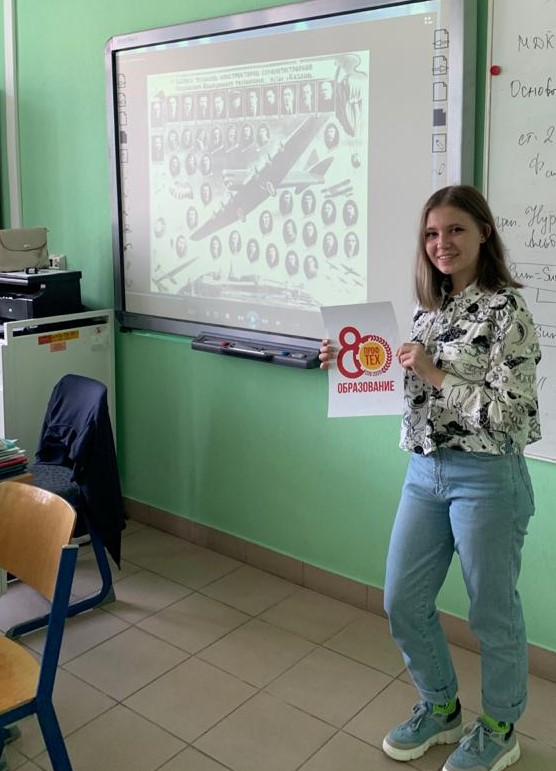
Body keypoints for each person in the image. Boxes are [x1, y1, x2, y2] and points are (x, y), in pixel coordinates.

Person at [319, 185, 541, 771]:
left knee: (491, 611)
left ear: (484, 233)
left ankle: (500, 727)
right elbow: (414, 390)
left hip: (488, 477)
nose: (442, 243)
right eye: (431, 234)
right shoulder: (429, 308)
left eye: (455, 230)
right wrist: (350, 365)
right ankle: (441, 707)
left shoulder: (507, 311)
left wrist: (436, 373)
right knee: (402, 599)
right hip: (425, 470)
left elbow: (512, 415)